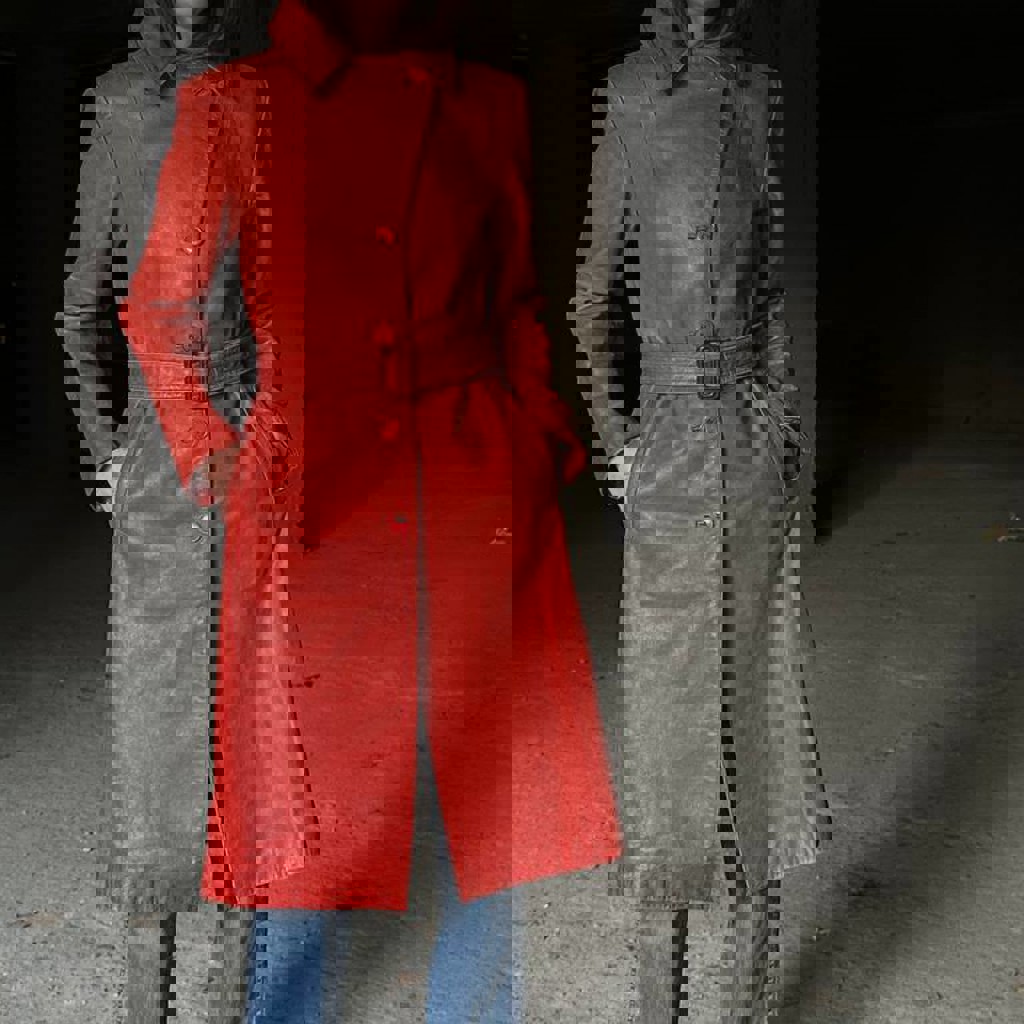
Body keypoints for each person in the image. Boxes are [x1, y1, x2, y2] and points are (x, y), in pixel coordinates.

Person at [117, 0, 624, 1020]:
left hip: (472, 468)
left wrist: (536, 431)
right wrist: (210, 445)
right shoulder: (235, 104)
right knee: (304, 795)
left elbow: (517, 298)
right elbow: (163, 302)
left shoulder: (490, 102)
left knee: (493, 778)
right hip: (316, 483)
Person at [571, 1, 833, 1019]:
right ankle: (661, 994)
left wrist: (783, 428)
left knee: (758, 707)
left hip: (750, 454)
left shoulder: (758, 90)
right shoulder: (630, 96)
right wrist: (620, 447)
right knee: (670, 721)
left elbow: (772, 290)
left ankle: (743, 999)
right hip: (671, 452)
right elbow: (590, 301)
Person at [58, 2, 275, 1020]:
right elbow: (77, 311)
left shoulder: (246, 107)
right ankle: (156, 996)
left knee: (225, 730)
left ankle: (208, 996)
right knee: (176, 732)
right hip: (176, 460)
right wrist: (107, 456)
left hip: (214, 461)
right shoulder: (129, 107)